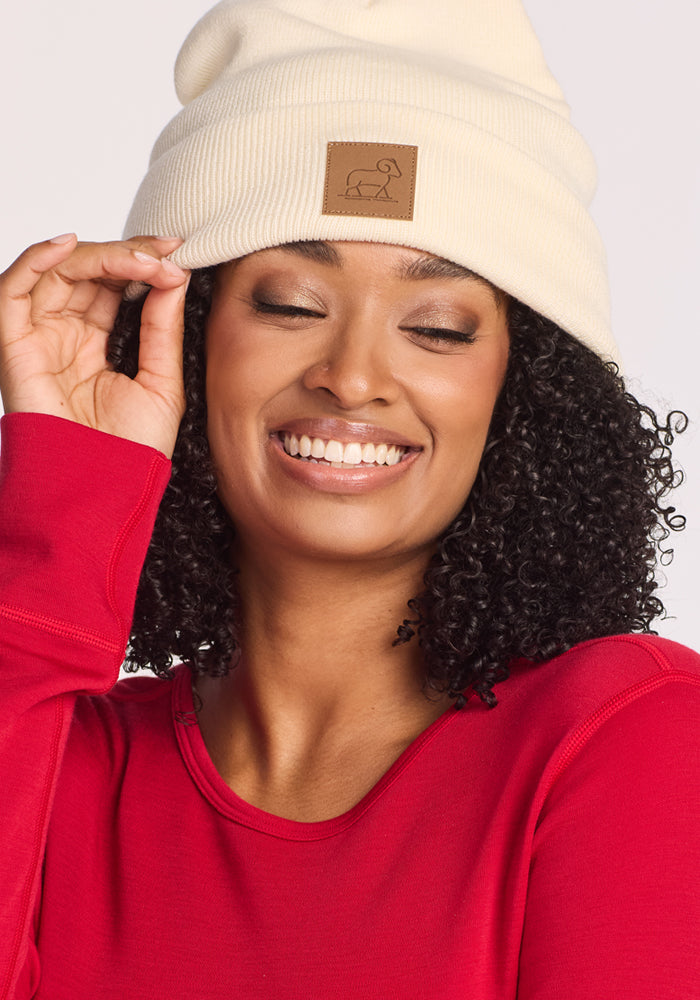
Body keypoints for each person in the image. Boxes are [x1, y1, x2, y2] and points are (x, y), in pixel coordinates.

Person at [0, 1, 698, 997]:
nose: (353, 373)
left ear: (523, 394)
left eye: (440, 327)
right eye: (289, 304)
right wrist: (67, 489)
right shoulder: (58, 762)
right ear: (186, 338)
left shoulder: (624, 740)